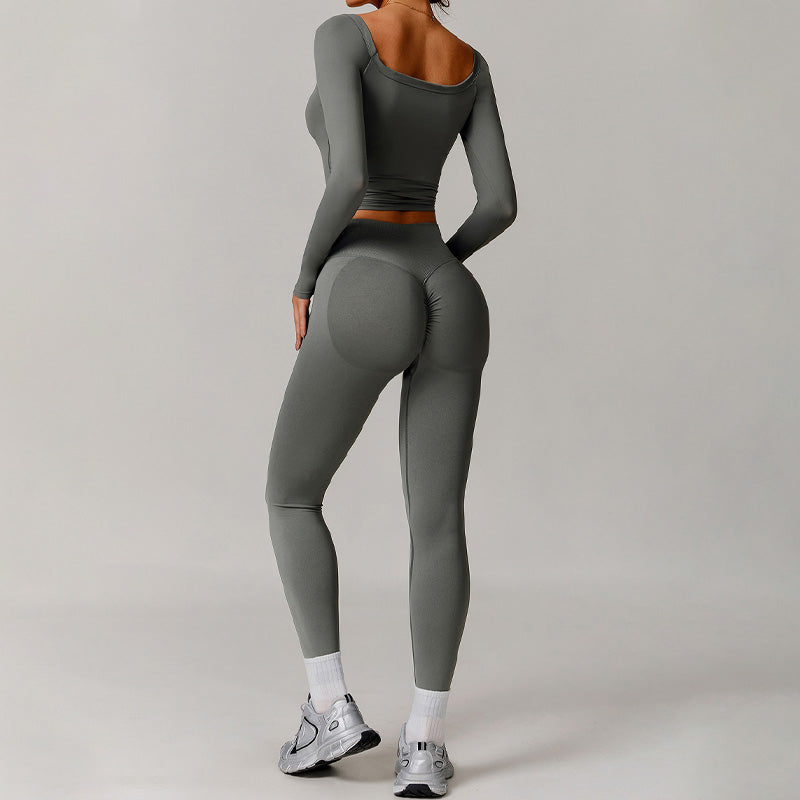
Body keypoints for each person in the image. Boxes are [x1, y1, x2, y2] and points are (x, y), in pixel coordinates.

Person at [264, 0, 516, 795]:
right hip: (451, 287)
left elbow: (348, 177)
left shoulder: (345, 36)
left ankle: (330, 709)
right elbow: (500, 204)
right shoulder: (469, 62)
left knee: (292, 495)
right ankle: (425, 745)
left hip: (365, 278)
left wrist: (307, 276)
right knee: (438, 521)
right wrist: (439, 261)